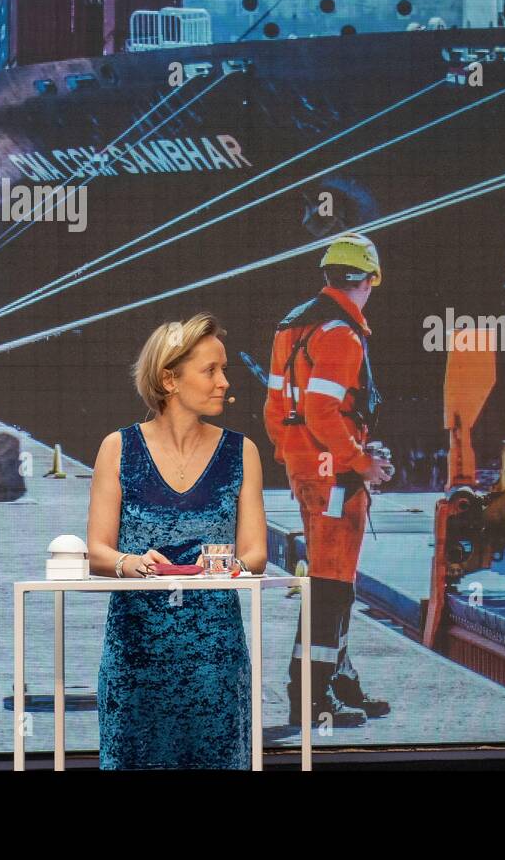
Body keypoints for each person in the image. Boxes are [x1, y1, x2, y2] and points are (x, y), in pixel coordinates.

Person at [88, 312, 267, 768]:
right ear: (169, 379)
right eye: (211, 370)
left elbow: (256, 555)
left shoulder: (242, 451)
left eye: (224, 370)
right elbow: (98, 552)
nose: (224, 382)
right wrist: (130, 562)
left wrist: (226, 564)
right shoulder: (117, 448)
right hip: (137, 659)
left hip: (215, 663)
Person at [264, 232, 394, 727]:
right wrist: (360, 462)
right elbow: (321, 409)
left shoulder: (290, 327)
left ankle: (339, 682)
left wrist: (293, 456)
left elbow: (277, 407)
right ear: (370, 280)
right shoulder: (341, 334)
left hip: (307, 469)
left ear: (327, 275)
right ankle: (312, 697)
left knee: (332, 582)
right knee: (332, 586)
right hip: (335, 474)